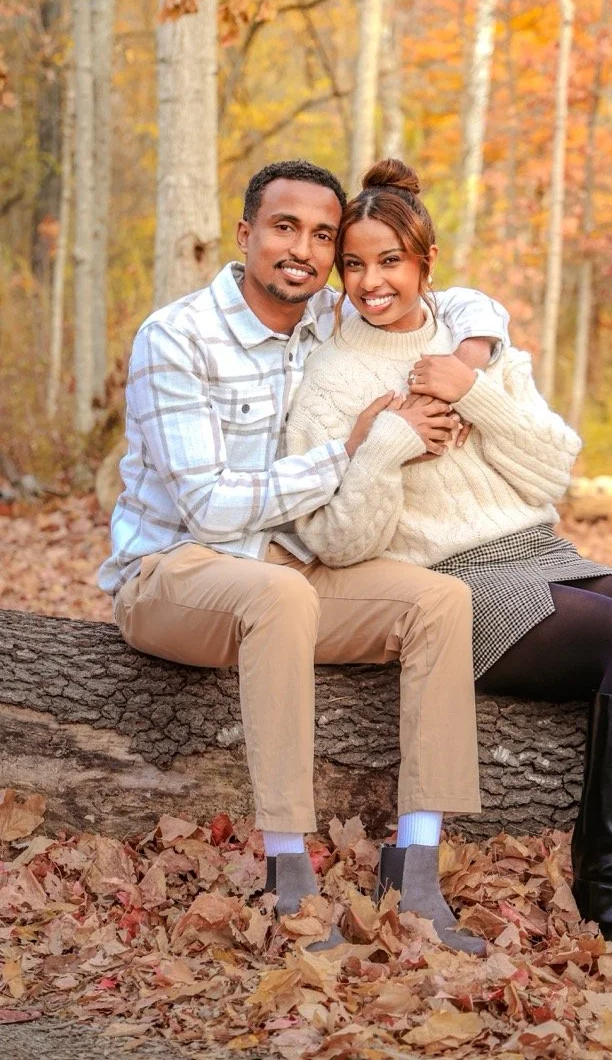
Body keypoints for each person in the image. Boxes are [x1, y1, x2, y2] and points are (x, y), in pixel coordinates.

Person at [286, 157, 612, 945]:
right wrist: (385, 447)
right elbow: (339, 540)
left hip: (538, 549)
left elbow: (551, 467)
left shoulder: (478, 351)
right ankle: (611, 899)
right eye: (353, 264)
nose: (370, 281)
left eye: (389, 261)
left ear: (426, 263)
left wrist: (474, 391)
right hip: (449, 581)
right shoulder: (328, 376)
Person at [99, 158, 512, 955]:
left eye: (323, 235)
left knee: (437, 600)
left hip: (288, 563)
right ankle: (288, 871)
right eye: (285, 226)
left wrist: (468, 354)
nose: (305, 248)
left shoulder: (325, 315)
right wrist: (351, 449)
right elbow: (208, 506)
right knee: (276, 597)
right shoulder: (176, 336)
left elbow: (459, 296)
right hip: (173, 572)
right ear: (245, 231)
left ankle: (414, 868)